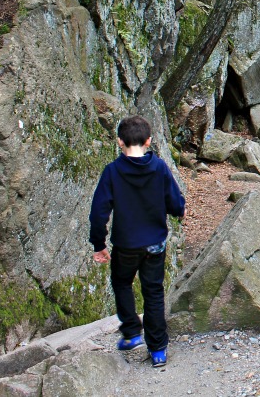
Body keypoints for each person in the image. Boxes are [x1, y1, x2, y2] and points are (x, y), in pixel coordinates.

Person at [89, 115, 186, 368]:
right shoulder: (160, 168)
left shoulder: (112, 172)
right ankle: (158, 351)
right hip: (155, 243)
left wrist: (98, 244)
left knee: (122, 282)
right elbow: (175, 201)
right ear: (148, 141)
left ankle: (132, 333)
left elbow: (99, 212)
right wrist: (180, 210)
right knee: (153, 292)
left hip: (126, 244)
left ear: (120, 141)